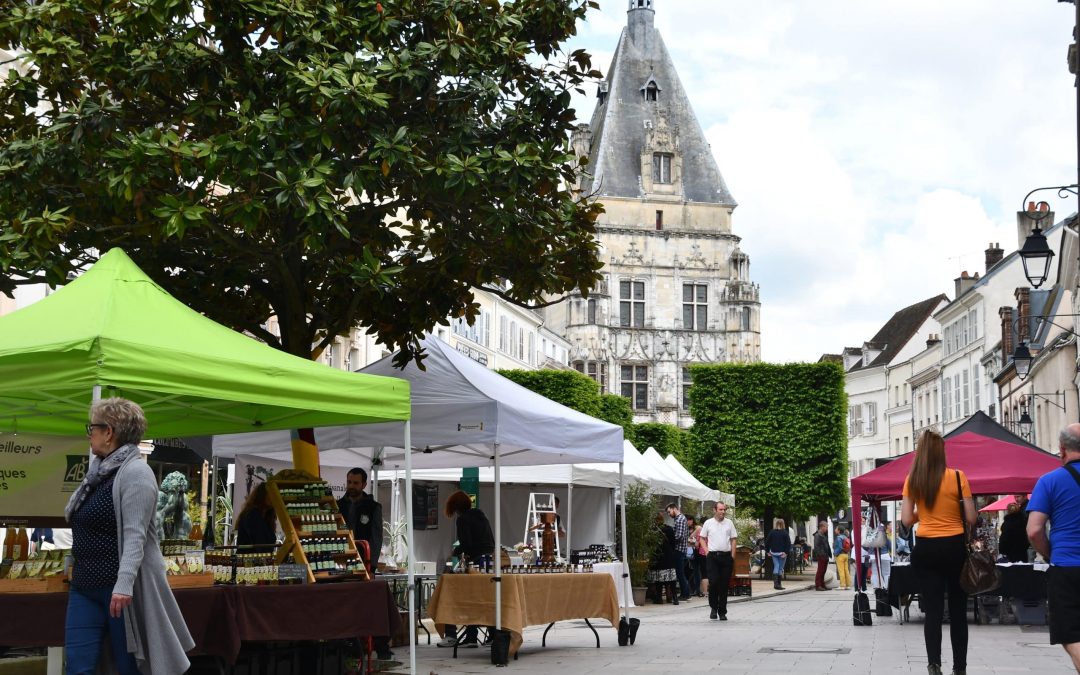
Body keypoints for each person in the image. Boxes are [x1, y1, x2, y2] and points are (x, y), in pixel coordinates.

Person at [65, 397, 194, 674]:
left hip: (121, 593)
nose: (90, 435)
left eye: (92, 429)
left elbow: (135, 536)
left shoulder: (136, 472)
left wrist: (123, 587)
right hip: (84, 586)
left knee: (128, 667)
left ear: (109, 432)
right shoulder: (97, 473)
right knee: (77, 666)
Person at [902, 429, 977, 675]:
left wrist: (923, 514)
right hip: (954, 547)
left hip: (926, 549)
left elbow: (905, 520)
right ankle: (960, 667)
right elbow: (971, 517)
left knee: (932, 610)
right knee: (957, 610)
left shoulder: (913, 480)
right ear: (941, 452)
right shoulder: (958, 477)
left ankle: (934, 664)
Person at [1026, 424, 1080, 673]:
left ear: (1061, 450)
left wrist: (1049, 553)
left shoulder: (1049, 481)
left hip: (1067, 566)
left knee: (1070, 634)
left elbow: (1034, 530)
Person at [337, 467, 390, 659]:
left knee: (369, 606)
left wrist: (372, 566)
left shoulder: (373, 507)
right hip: (340, 566)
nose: (351, 486)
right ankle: (347, 645)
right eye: (349, 482)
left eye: (356, 483)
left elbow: (376, 538)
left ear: (364, 484)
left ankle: (380, 646)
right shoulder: (337, 506)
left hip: (364, 565)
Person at [439, 490, 495, 649]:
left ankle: (460, 636)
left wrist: (454, 553)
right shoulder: (481, 515)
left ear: (455, 507)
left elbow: (467, 544)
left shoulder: (462, 519)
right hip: (489, 562)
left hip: (475, 562)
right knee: (485, 598)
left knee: (459, 596)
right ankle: (491, 635)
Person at [699, 502, 737, 621]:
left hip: (726, 557)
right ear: (715, 510)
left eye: (724, 510)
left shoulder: (729, 523)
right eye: (720, 509)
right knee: (714, 582)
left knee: (724, 585)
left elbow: (733, 539)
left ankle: (722, 611)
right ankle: (713, 608)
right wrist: (706, 551)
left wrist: (732, 556)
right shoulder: (708, 523)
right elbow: (702, 538)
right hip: (713, 557)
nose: (723, 512)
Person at [235, 482, 277, 551]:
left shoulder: (267, 518)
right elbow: (260, 543)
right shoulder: (251, 515)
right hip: (249, 560)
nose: (273, 497)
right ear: (262, 496)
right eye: (270, 494)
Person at [666, 503, 691, 600]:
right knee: (680, 573)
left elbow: (679, 536)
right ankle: (685, 593)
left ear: (674, 508)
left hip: (679, 550)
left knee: (680, 573)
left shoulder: (680, 519)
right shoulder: (680, 519)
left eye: (669, 512)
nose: (669, 514)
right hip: (681, 550)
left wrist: (669, 539)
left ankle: (685, 594)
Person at [764, 518, 791, 590]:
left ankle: (776, 584)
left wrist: (767, 551)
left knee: (776, 566)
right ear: (783, 524)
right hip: (782, 553)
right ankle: (779, 584)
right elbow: (788, 543)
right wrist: (786, 552)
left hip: (773, 552)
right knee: (780, 568)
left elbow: (767, 542)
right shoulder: (785, 532)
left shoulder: (772, 532)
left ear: (776, 524)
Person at [686, 516, 704, 597]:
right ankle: (692, 589)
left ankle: (698, 590)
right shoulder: (686, 529)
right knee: (691, 571)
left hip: (698, 552)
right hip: (689, 552)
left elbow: (701, 537)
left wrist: (693, 539)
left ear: (692, 520)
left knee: (697, 570)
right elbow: (687, 540)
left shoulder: (698, 527)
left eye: (688, 520)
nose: (687, 522)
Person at [812, 521, 831, 591]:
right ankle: (818, 585)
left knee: (823, 571)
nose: (827, 528)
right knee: (820, 570)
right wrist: (821, 554)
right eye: (826, 527)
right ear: (822, 527)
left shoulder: (823, 534)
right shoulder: (818, 535)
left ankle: (822, 584)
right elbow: (816, 546)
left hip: (825, 555)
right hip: (822, 556)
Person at [833, 526, 852, 590]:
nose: (835, 530)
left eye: (836, 529)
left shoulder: (838, 538)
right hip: (846, 555)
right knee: (846, 570)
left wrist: (835, 554)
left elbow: (839, 547)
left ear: (838, 531)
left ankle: (842, 585)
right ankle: (848, 585)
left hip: (840, 555)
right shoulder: (846, 537)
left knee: (841, 570)